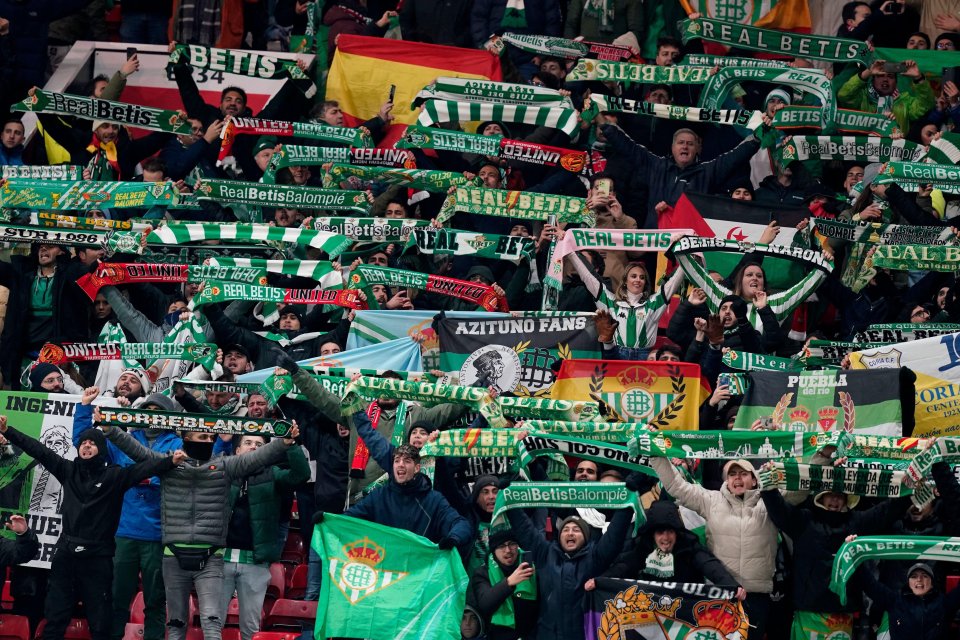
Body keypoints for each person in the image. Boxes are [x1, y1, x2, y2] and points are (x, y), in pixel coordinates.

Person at [99, 417, 302, 640]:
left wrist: (284, 442)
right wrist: (110, 430)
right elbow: (137, 451)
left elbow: (257, 457)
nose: (208, 441)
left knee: (212, 623)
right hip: (173, 555)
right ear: (186, 438)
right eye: (202, 437)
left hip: (211, 558)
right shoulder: (169, 464)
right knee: (175, 623)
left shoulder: (225, 466)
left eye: (210, 437)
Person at [0, 415, 182, 640]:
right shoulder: (67, 470)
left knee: (100, 622)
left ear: (102, 449)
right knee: (55, 617)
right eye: (83, 443)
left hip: (98, 559)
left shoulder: (115, 475)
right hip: (65, 556)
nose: (86, 445)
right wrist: (8, 431)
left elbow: (144, 469)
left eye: (92, 443)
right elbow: (38, 450)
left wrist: (170, 461)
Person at [73, 388, 183, 640]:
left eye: (158, 412)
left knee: (155, 600)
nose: (152, 416)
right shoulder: (123, 440)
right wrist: (84, 407)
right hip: (124, 530)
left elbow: (179, 475)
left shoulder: (178, 443)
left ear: (169, 416)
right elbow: (83, 442)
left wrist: (142, 478)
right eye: (147, 411)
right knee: (117, 598)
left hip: (158, 533)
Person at [500, 477, 634, 640]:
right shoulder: (546, 553)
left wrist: (628, 498)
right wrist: (508, 497)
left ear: (585, 537)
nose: (570, 533)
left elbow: (615, 534)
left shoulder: (596, 557)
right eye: (566, 530)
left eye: (576, 530)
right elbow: (525, 529)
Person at [221, 433, 310, 640]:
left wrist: (290, 445)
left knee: (250, 626)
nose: (253, 447)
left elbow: (301, 474)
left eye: (259, 444)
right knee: (212, 621)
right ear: (237, 450)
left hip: (255, 561)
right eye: (248, 443)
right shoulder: (223, 471)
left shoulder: (273, 474)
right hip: (220, 559)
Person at [336, 444, 472, 547]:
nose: (400, 465)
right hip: (386, 571)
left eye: (407, 461)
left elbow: (461, 524)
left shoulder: (433, 500)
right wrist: (326, 520)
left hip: (419, 572)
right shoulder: (378, 496)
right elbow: (348, 519)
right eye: (397, 460)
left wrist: (453, 538)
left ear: (417, 468)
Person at [469, 529, 538, 640]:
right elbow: (485, 604)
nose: (508, 550)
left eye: (512, 544)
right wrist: (509, 582)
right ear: (493, 550)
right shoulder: (482, 572)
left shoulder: (530, 567)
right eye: (501, 546)